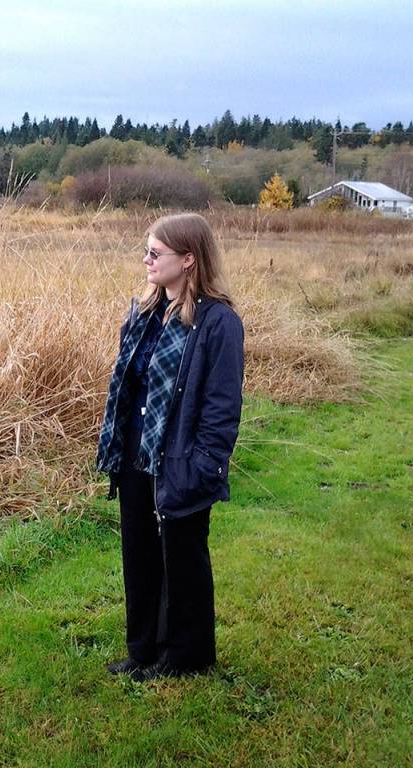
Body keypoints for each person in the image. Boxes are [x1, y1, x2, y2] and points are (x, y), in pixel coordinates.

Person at [95, 212, 244, 682]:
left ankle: (184, 658)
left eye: (155, 253)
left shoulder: (219, 324)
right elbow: (127, 387)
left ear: (188, 259)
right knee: (139, 553)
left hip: (181, 459)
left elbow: (221, 409)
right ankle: (143, 651)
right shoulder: (143, 313)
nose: (146, 260)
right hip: (138, 453)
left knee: (181, 558)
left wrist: (204, 466)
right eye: (146, 250)